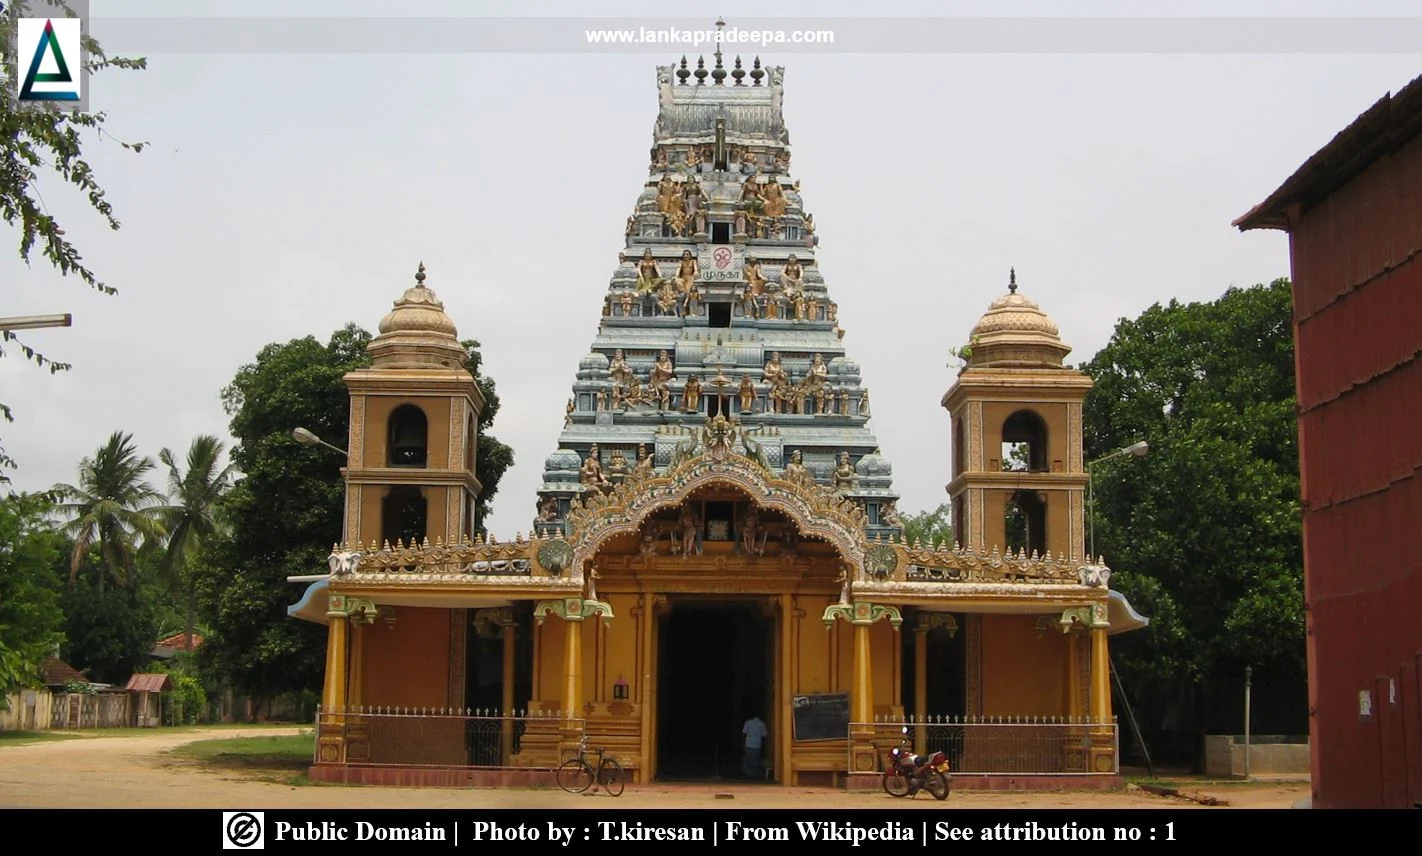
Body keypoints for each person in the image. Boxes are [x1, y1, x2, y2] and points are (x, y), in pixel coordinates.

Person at [741, 713, 768, 778]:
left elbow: (744, 733)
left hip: (748, 743)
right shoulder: (762, 724)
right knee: (755, 760)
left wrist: (742, 743)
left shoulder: (748, 722)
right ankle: (754, 774)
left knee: (747, 759)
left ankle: (747, 774)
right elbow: (764, 736)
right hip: (757, 744)